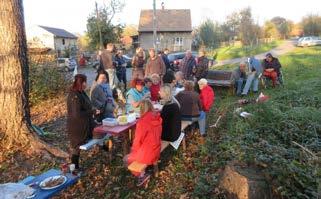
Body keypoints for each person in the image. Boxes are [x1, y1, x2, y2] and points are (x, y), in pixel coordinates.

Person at [124, 99, 162, 186]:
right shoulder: (157, 117)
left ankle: (142, 175)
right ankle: (143, 172)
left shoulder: (143, 121)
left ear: (142, 109)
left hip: (149, 151)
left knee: (127, 159)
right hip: (156, 147)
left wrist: (133, 150)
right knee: (134, 155)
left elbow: (137, 140)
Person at [67, 74, 99, 170]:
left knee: (100, 134)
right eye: (85, 82)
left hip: (85, 124)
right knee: (76, 148)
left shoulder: (81, 92)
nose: (86, 84)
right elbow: (77, 114)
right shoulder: (74, 95)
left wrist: (93, 110)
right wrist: (92, 111)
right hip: (77, 128)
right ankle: (74, 169)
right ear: (80, 82)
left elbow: (86, 105)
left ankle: (75, 167)